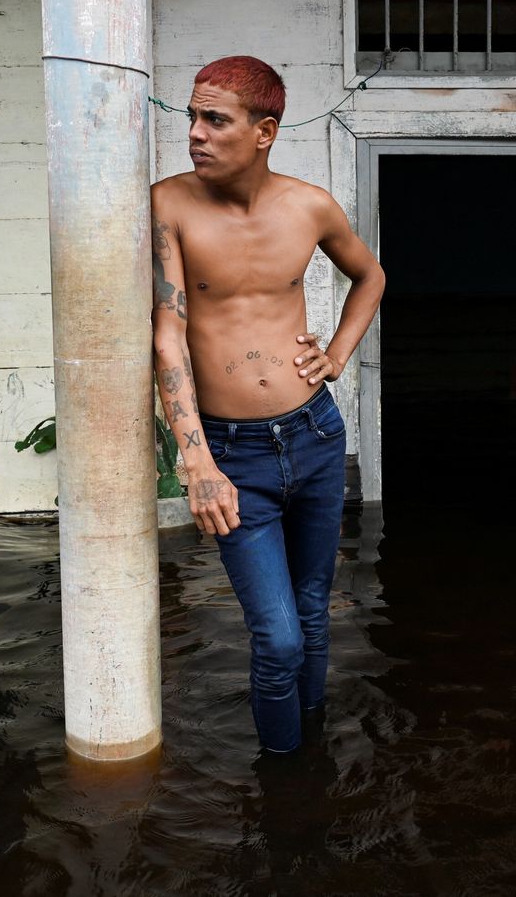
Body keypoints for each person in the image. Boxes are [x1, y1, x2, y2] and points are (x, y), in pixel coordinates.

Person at [150, 55, 386, 754]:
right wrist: (197, 463)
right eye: (192, 116)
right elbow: (168, 336)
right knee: (278, 636)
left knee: (313, 615)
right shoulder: (169, 205)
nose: (195, 132)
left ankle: (308, 759)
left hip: (313, 433)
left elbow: (371, 276)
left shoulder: (309, 205)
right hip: (233, 457)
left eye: (214, 119)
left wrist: (338, 354)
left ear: (264, 131)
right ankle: (283, 785)